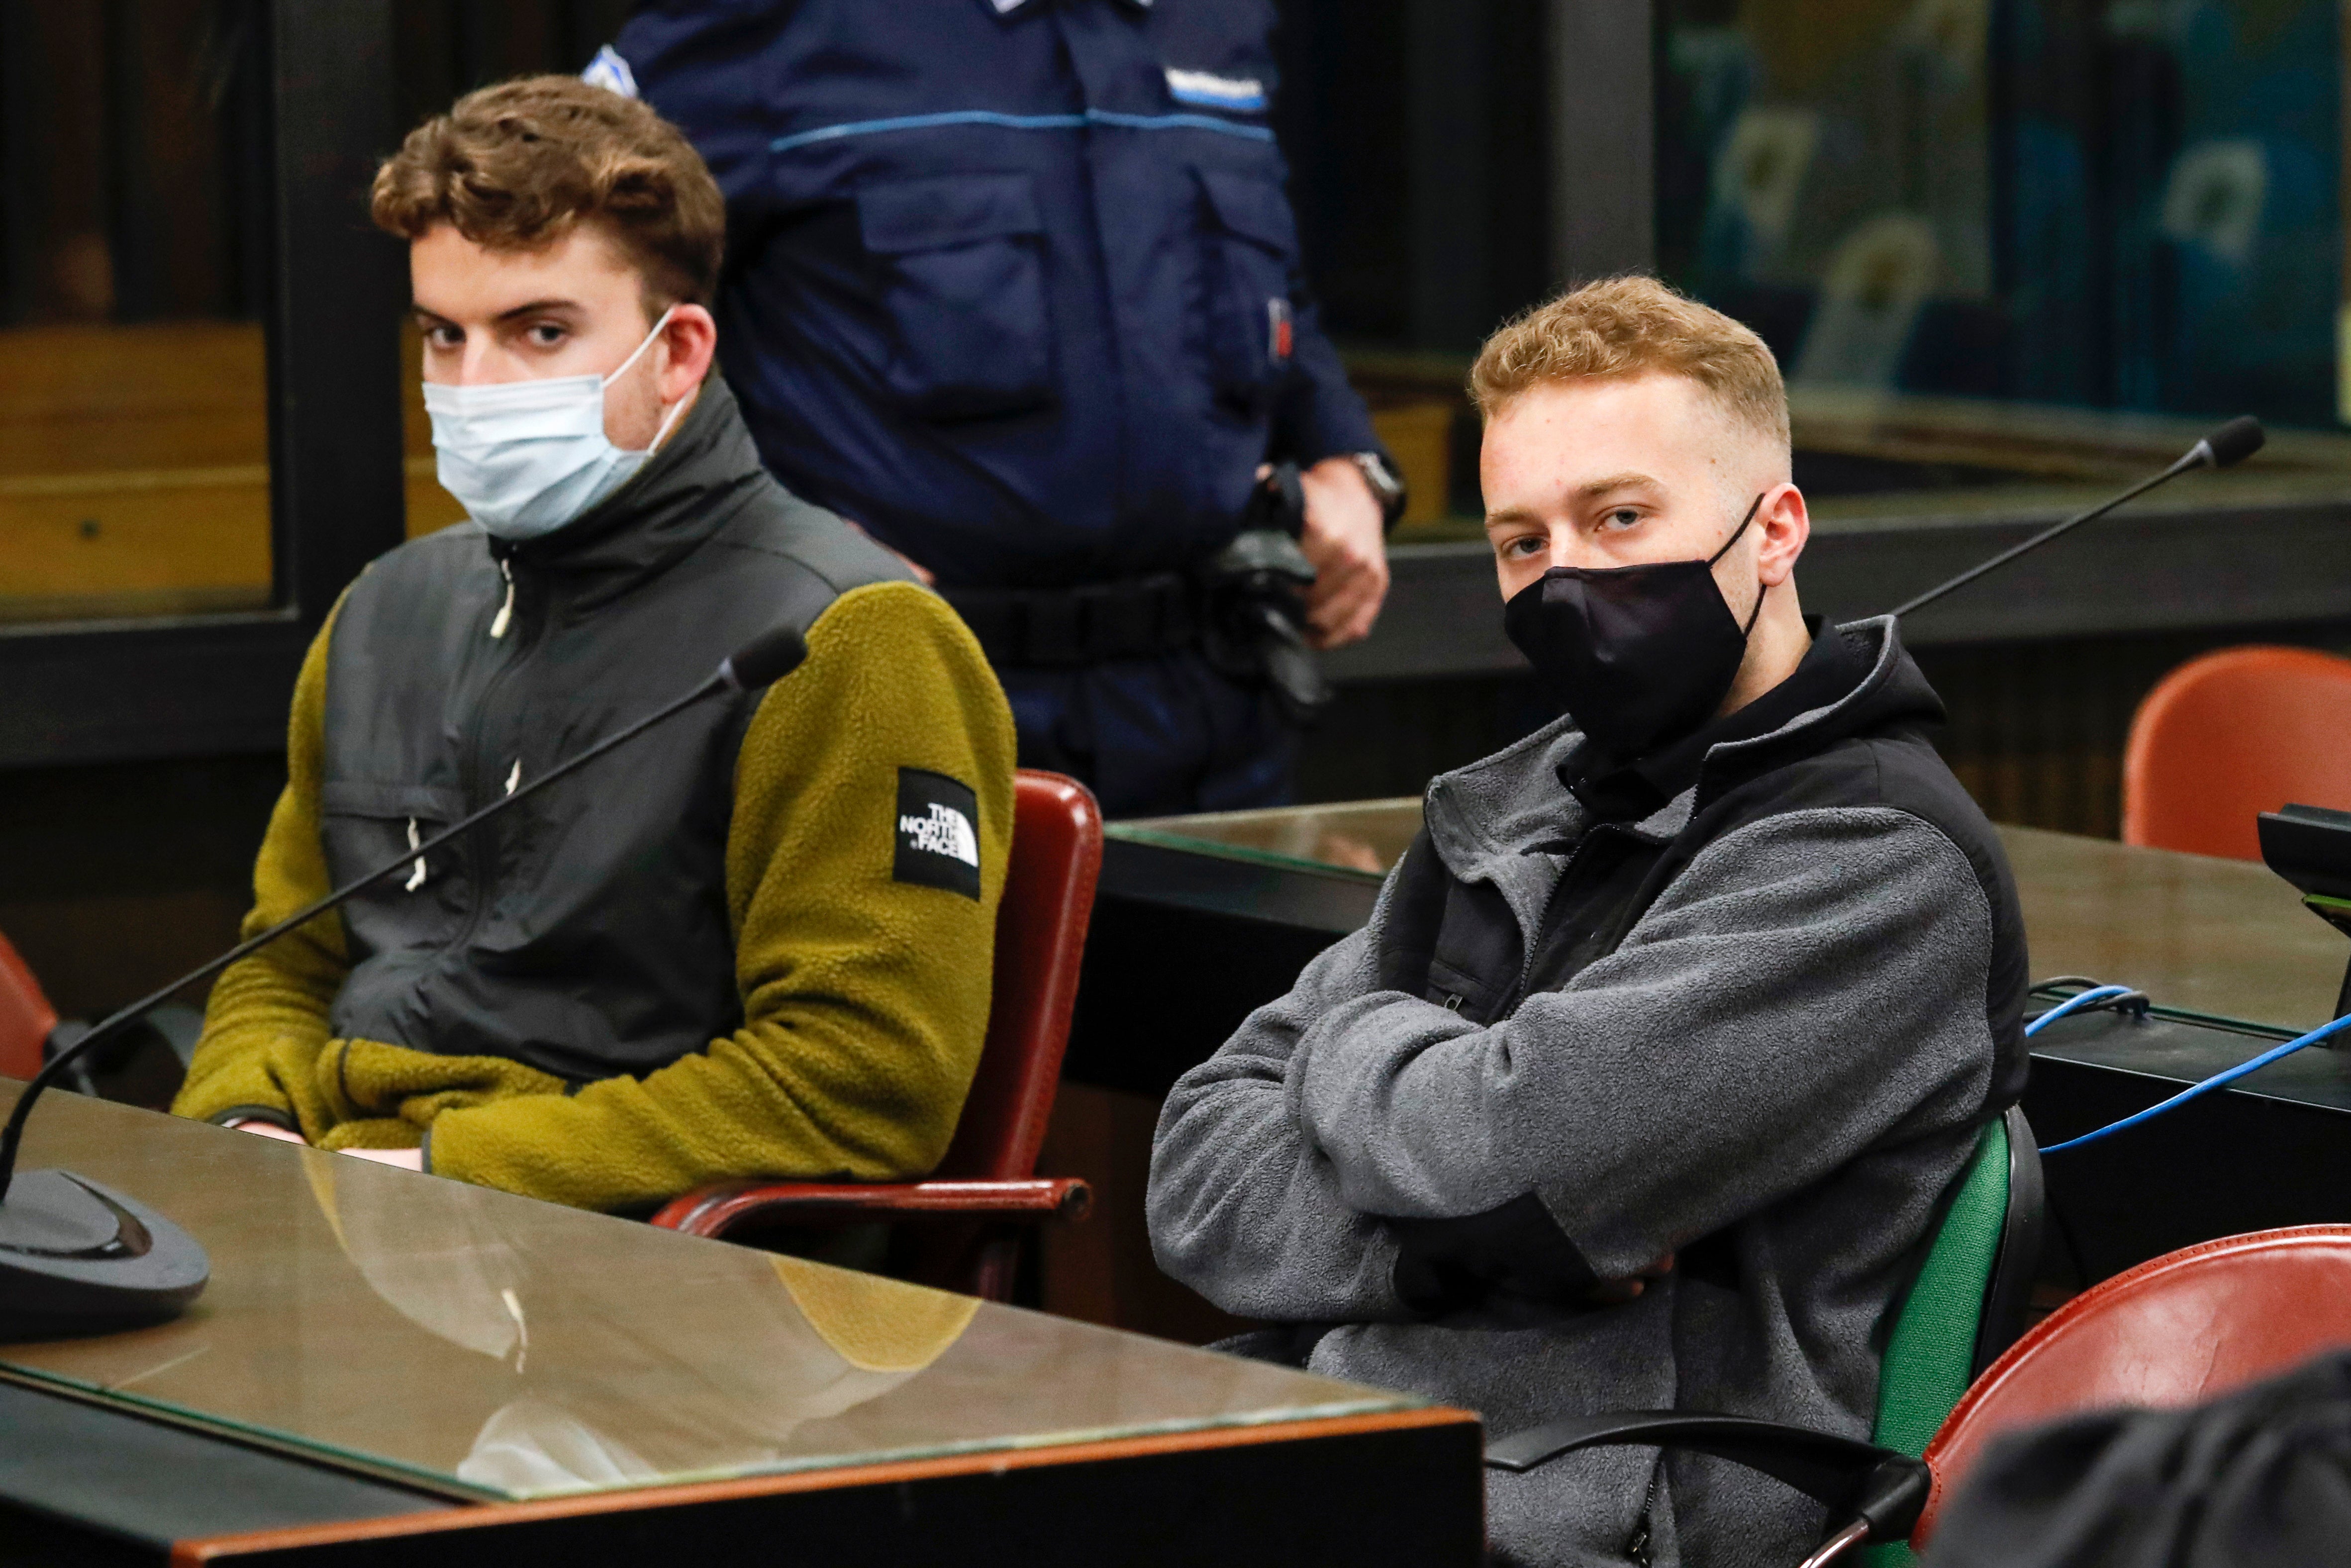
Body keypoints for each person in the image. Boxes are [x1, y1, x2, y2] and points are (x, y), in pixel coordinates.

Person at [1146, 277, 2030, 1567]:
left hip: (1612, 1498)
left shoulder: (1867, 857)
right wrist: (1440, 1245)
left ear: (1773, 527)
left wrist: (1354, 1047)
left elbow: (1513, 1168)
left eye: (1618, 518)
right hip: (1361, 1420)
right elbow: (1196, 1171)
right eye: (1522, 541)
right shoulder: (1516, 802)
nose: (1565, 579)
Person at [172, 78, 1017, 1215]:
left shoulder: (845, 636)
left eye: (541, 332)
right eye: (443, 336)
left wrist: (441, 1176)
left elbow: (862, 1081)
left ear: (677, 355)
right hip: (344, 1221)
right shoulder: (386, 610)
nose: (476, 388)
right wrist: (245, 1126)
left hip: (642, 1277)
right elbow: (283, 966)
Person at [587, 3, 1404, 816]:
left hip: (1213, 715)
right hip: (911, 705)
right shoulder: (766, 24)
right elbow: (563, 308)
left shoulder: (1218, 19)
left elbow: (1268, 289)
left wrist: (1346, 460)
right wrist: (750, 540)